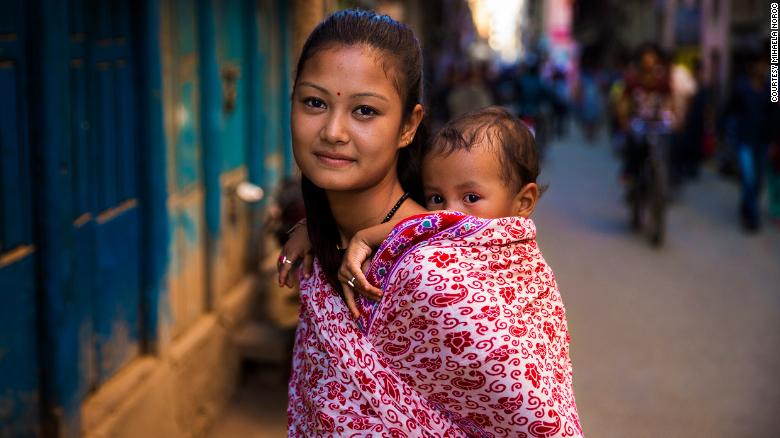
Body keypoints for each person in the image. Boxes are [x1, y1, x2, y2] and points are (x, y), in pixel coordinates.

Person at [285, 10, 582, 437]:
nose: (333, 131)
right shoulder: (327, 245)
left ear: (408, 126)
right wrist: (314, 231)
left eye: (364, 111)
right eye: (315, 102)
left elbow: (545, 425)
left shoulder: (435, 277)